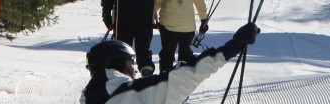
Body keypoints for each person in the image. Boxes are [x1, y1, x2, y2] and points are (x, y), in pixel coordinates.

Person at [81, 22, 260, 103]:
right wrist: (231, 48)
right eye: (130, 62)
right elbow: (184, 77)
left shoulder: (90, 99)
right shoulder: (131, 93)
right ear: (116, 63)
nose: (135, 69)